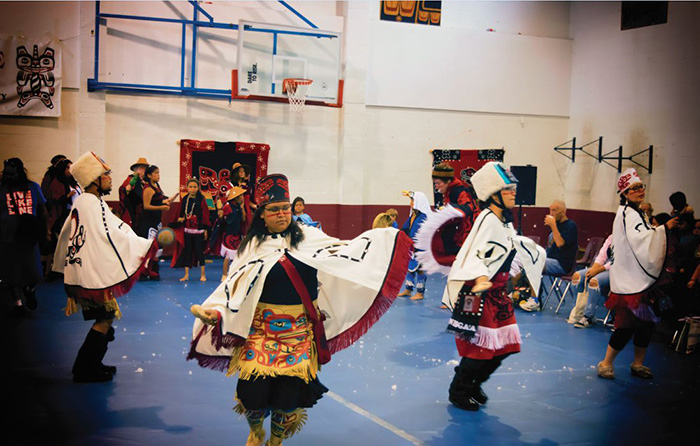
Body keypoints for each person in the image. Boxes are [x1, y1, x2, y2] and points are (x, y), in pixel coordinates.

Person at [188, 173, 411, 446]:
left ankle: (276, 440)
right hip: (260, 329)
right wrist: (217, 312)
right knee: (251, 392)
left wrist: (383, 238)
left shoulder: (309, 238)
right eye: (274, 210)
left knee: (288, 396)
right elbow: (234, 286)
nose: (282, 214)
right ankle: (256, 430)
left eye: (286, 209)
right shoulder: (252, 246)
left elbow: (346, 253)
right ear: (262, 214)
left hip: (299, 329)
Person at [444, 162, 545, 411]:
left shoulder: (504, 222)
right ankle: (459, 390)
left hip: (497, 292)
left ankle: (474, 382)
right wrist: (479, 277)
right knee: (479, 348)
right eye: (508, 189)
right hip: (479, 293)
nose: (513, 193)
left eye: (513, 189)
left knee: (505, 347)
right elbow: (474, 254)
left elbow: (509, 248)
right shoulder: (488, 220)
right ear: (493, 194)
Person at [52, 152, 157, 382]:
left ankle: (92, 365)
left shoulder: (86, 201)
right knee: (105, 317)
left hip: (84, 272)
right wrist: (144, 246)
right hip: (91, 275)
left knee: (106, 317)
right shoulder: (90, 203)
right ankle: (85, 369)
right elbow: (110, 235)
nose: (110, 178)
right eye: (105, 174)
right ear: (94, 179)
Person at [596, 168, 678, 380]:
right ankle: (606, 363)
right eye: (634, 189)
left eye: (641, 187)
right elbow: (639, 241)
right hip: (630, 282)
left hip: (640, 281)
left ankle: (637, 362)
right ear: (625, 193)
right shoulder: (627, 214)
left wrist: (658, 231)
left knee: (647, 324)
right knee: (627, 326)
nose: (640, 191)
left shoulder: (637, 213)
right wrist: (663, 229)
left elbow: (643, 237)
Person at [0, 158, 49, 315]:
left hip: (28, 234)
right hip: (8, 235)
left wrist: (45, 231)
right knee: (12, 271)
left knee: (32, 270)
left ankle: (29, 289)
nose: (9, 176)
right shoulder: (2, 189)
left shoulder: (33, 187)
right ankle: (18, 304)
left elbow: (42, 210)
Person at [520, 200, 578, 312]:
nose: (551, 213)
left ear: (563, 212)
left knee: (535, 264)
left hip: (562, 264)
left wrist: (553, 226)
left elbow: (560, 243)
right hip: (550, 259)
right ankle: (519, 293)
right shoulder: (556, 225)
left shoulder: (570, 226)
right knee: (524, 261)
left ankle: (535, 300)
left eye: (555, 210)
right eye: (550, 210)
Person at [172, 178, 211, 282]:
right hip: (187, 229)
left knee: (199, 251)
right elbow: (182, 213)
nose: (192, 189)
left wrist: (205, 229)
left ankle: (203, 274)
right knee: (187, 250)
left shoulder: (201, 199)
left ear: (198, 188)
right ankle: (186, 275)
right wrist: (181, 218)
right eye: (190, 187)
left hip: (198, 229)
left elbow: (205, 215)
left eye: (194, 187)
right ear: (187, 188)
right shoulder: (185, 199)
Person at [570, 234, 612, 328]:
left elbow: (615, 261)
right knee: (577, 276)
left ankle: (588, 316)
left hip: (614, 270)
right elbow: (601, 256)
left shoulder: (627, 240)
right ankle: (578, 311)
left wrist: (597, 271)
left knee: (594, 281)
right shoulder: (611, 238)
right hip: (601, 267)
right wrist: (593, 269)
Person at [137, 165, 171, 280]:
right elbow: (146, 206)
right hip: (147, 222)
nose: (158, 175)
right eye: (156, 173)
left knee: (156, 246)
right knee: (147, 246)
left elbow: (156, 200)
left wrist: (165, 201)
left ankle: (153, 270)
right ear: (149, 175)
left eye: (158, 173)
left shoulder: (156, 186)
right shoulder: (148, 188)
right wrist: (162, 207)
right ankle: (143, 272)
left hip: (156, 221)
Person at [397, 191, 431, 300]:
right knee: (410, 268)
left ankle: (420, 293)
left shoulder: (424, 217)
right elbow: (405, 228)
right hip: (411, 247)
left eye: (412, 200)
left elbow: (419, 233)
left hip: (421, 247)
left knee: (420, 269)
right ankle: (408, 289)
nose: (410, 203)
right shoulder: (413, 215)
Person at [218, 186, 247, 281]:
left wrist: (242, 208)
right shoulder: (227, 206)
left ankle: (235, 273)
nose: (242, 197)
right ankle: (224, 274)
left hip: (237, 233)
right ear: (236, 197)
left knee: (237, 256)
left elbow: (243, 219)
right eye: (241, 195)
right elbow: (224, 220)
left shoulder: (239, 207)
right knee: (227, 255)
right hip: (229, 234)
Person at [117, 157, 149, 228]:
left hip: (142, 215)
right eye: (141, 168)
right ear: (136, 169)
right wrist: (129, 188)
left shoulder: (145, 181)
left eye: (145, 168)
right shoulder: (130, 179)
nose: (143, 170)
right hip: (131, 212)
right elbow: (124, 190)